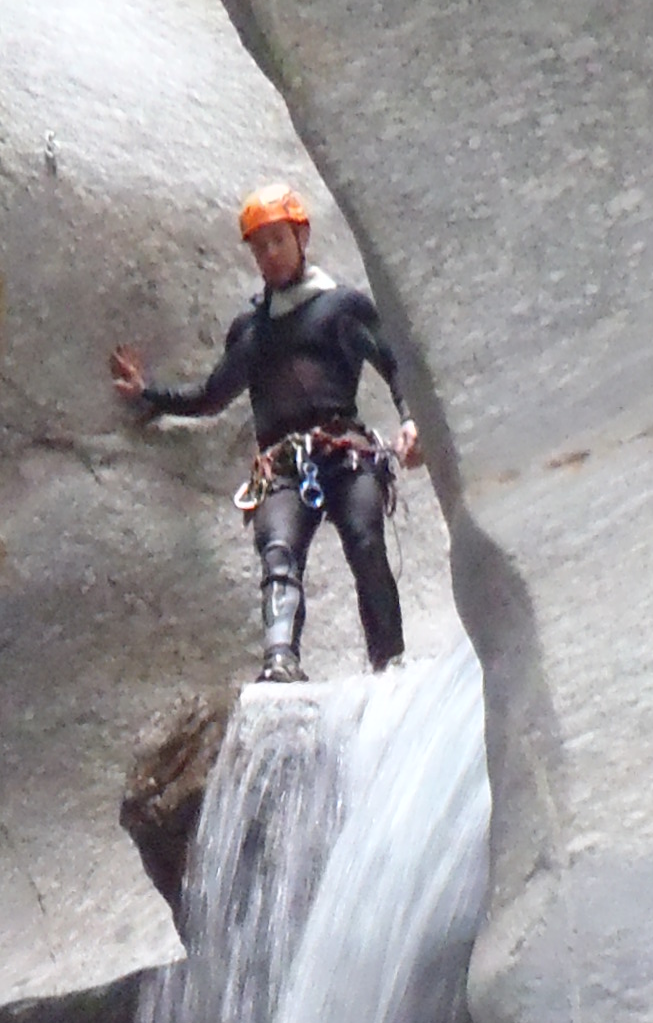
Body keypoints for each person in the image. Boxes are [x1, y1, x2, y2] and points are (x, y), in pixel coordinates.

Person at [111, 185, 422, 684]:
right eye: (259, 248)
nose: (268, 255)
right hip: (283, 466)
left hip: (344, 453)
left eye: (277, 241)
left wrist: (411, 419)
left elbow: (394, 363)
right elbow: (212, 395)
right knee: (278, 551)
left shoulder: (342, 308)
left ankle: (389, 662)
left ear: (301, 236)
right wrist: (150, 394)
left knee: (366, 542)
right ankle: (280, 661)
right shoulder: (252, 331)